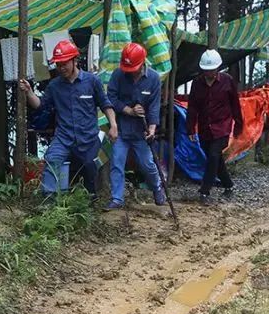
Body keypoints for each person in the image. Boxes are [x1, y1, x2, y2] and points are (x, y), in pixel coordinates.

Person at [20, 40, 118, 199]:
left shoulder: (92, 81)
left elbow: (106, 104)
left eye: (64, 63)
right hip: (64, 137)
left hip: (88, 138)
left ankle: (90, 199)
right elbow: (40, 105)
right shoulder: (54, 86)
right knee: (52, 159)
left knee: (90, 169)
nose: (61, 68)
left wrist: (113, 125)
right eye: (58, 64)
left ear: (75, 60)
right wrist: (29, 92)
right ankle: (49, 200)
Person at [105, 42, 167, 209]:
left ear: (143, 62)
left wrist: (152, 129)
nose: (130, 71)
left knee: (147, 164)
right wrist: (128, 110)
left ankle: (157, 187)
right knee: (117, 163)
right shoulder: (118, 75)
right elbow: (110, 98)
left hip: (141, 132)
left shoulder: (153, 78)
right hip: (121, 129)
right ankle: (117, 198)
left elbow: (154, 106)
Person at [185, 48, 243, 205]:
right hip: (205, 128)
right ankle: (228, 185)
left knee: (213, 155)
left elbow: (235, 105)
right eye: (206, 70)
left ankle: (205, 191)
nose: (209, 73)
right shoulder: (197, 84)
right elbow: (192, 108)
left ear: (218, 68)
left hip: (222, 126)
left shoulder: (227, 81)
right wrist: (190, 128)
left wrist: (239, 125)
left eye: (211, 70)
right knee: (215, 158)